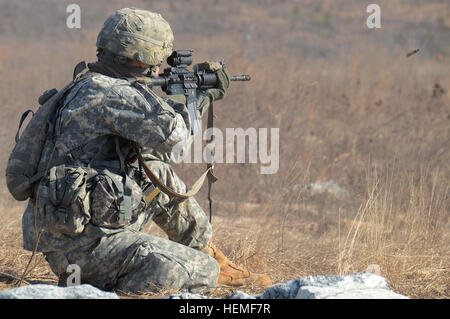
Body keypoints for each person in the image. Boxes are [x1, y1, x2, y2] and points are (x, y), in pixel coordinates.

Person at [21, 7, 271, 295]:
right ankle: (109, 285)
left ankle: (208, 251)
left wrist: (189, 97)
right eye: (155, 59)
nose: (156, 67)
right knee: (202, 271)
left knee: (154, 172)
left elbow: (161, 154)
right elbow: (177, 145)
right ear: (143, 56)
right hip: (83, 247)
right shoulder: (113, 93)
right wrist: (191, 100)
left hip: (79, 232)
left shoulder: (88, 84)